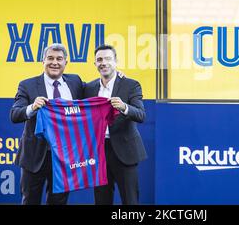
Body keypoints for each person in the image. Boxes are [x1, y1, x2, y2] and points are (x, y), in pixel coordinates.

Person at [10, 43, 84, 205]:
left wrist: (114, 75)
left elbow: (95, 91)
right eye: (50, 58)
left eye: (59, 59)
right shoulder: (27, 85)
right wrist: (32, 107)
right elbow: (15, 115)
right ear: (43, 61)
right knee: (30, 201)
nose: (54, 62)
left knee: (59, 202)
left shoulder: (75, 82)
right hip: (34, 156)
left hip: (64, 157)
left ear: (66, 62)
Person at [84, 44, 147, 205]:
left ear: (116, 61)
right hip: (99, 152)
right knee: (101, 200)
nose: (103, 63)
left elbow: (140, 115)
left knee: (130, 200)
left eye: (107, 59)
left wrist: (124, 107)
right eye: (99, 60)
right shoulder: (89, 88)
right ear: (95, 64)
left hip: (125, 151)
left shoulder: (131, 85)